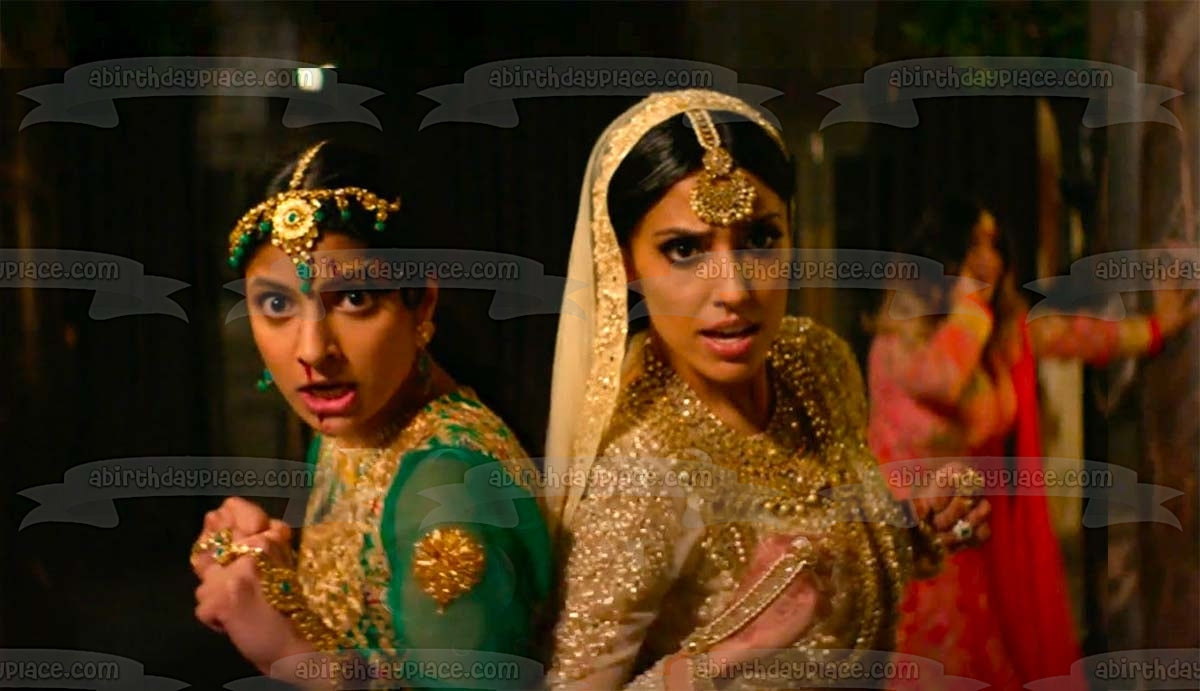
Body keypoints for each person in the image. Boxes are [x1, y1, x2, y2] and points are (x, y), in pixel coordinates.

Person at [542, 90, 990, 690]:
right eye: (684, 249)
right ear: (623, 263)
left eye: (759, 239)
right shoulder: (639, 476)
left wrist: (912, 528)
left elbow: (823, 577)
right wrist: (732, 652)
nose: (734, 290)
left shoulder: (815, 363)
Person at [189, 141, 553, 689]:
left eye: (354, 298)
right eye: (277, 305)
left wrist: (286, 649)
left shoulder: (445, 486)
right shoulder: (353, 424)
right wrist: (266, 569)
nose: (313, 351)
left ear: (420, 303)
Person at [867, 195, 1198, 690]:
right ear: (942, 255)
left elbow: (1078, 336)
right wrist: (971, 308)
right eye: (974, 244)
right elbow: (944, 378)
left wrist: (1155, 330)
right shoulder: (900, 337)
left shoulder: (999, 332)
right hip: (912, 541)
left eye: (995, 245)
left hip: (971, 539)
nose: (989, 258)